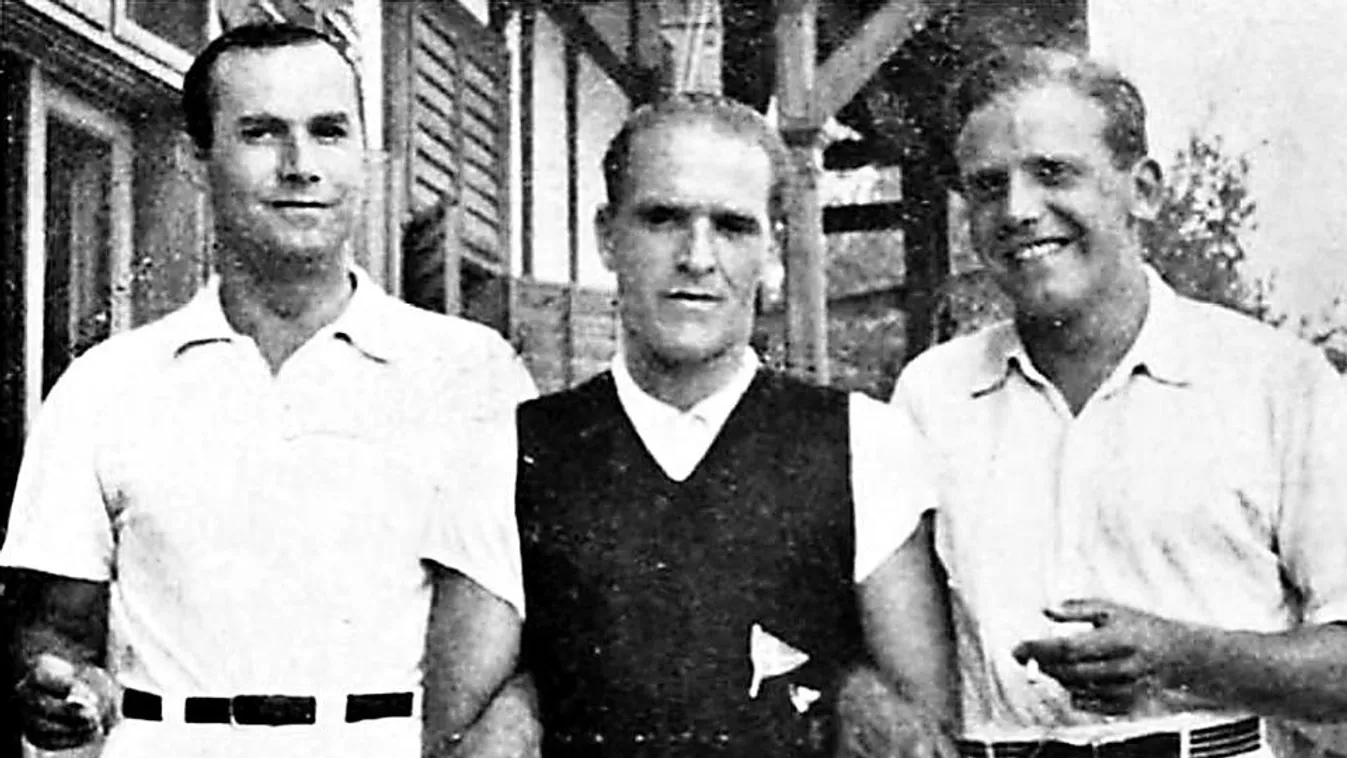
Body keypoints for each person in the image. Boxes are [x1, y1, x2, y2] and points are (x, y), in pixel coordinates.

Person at [1, 23, 537, 758]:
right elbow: (55, 630)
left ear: (365, 156)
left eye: (329, 132)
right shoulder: (105, 386)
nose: (300, 165)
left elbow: (539, 627)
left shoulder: (471, 375)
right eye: (261, 133)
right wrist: (60, 687)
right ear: (196, 161)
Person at [889, 45, 1347, 757]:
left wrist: (1184, 657)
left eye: (1053, 173)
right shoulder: (931, 395)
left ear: (1144, 191)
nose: (1017, 210)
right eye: (986, 186)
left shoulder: (1276, 383)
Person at [514, 92, 957, 758]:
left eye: (732, 226)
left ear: (771, 248)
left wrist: (846, 685)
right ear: (607, 235)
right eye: (662, 218)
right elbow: (466, 727)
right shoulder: (520, 447)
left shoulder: (862, 441)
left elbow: (919, 731)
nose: (697, 256)